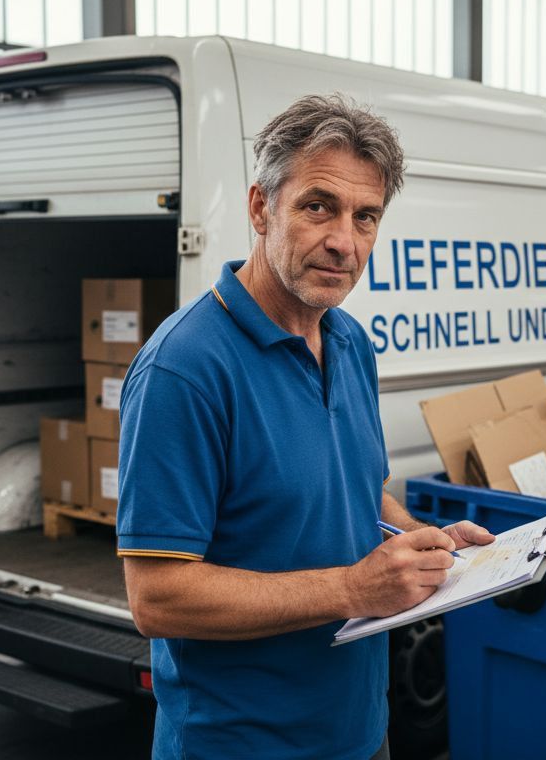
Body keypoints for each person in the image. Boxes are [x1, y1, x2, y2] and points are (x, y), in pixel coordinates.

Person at [116, 94, 495, 760]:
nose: (344, 241)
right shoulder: (185, 368)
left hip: (358, 732)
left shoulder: (350, 344)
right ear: (262, 208)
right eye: (318, 206)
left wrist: (422, 543)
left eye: (366, 216)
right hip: (241, 746)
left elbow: (354, 493)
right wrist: (352, 589)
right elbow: (159, 596)